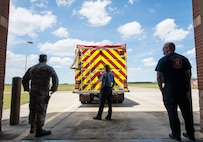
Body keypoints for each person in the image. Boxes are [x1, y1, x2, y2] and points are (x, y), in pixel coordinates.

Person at [155, 42, 195, 141]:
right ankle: (191, 134)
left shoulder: (163, 60)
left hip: (170, 89)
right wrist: (186, 86)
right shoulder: (184, 59)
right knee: (187, 112)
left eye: (164, 48)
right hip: (182, 88)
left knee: (172, 112)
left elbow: (159, 76)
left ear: (168, 48)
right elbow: (188, 73)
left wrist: (161, 88)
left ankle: (176, 135)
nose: (163, 51)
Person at [22, 54, 59, 137]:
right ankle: (39, 130)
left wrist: (27, 88)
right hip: (43, 92)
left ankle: (32, 127)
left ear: (39, 59)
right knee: (41, 110)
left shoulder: (32, 68)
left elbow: (24, 79)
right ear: (45, 59)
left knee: (32, 109)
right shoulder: (48, 68)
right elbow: (55, 78)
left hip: (33, 92)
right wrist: (53, 89)